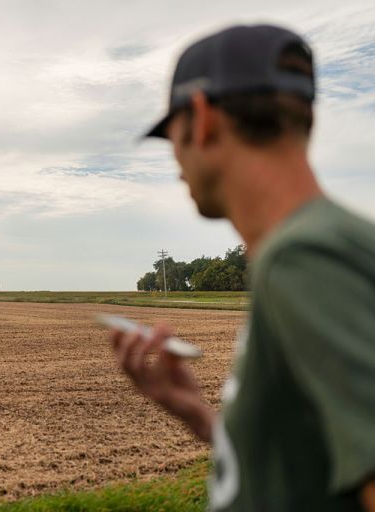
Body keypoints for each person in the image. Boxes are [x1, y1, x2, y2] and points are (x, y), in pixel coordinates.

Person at [110, 24, 375, 511]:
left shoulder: (303, 258)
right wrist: (197, 414)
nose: (175, 162)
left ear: (203, 118)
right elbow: (303, 471)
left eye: (171, 135)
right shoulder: (322, 246)